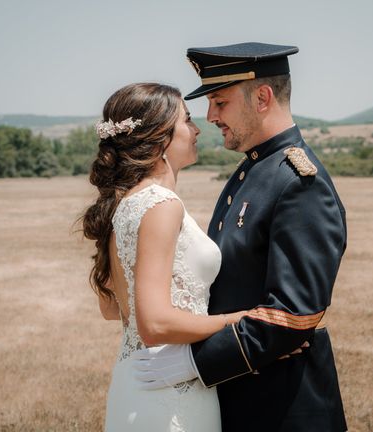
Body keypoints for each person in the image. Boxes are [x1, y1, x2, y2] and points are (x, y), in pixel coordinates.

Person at [134, 43, 349, 431]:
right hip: (243, 396)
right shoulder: (254, 170)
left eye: (220, 101)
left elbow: (293, 315)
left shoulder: (298, 183)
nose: (210, 116)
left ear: (262, 97)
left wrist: (196, 362)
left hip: (282, 407)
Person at [82, 83, 248, 431]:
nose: (198, 128)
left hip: (136, 381)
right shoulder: (162, 205)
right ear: (161, 138)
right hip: (169, 391)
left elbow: (113, 308)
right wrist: (241, 320)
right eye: (187, 120)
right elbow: (154, 324)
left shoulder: (125, 203)